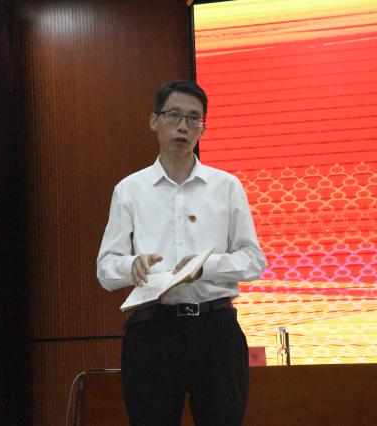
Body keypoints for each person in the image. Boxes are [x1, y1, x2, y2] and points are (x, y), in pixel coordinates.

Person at [96, 80, 266, 426]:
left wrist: (206, 266)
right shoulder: (130, 190)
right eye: (173, 115)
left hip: (216, 329)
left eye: (193, 118)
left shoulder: (226, 186)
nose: (183, 126)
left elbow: (253, 261)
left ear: (203, 126)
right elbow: (106, 269)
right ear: (154, 121)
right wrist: (133, 265)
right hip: (152, 331)